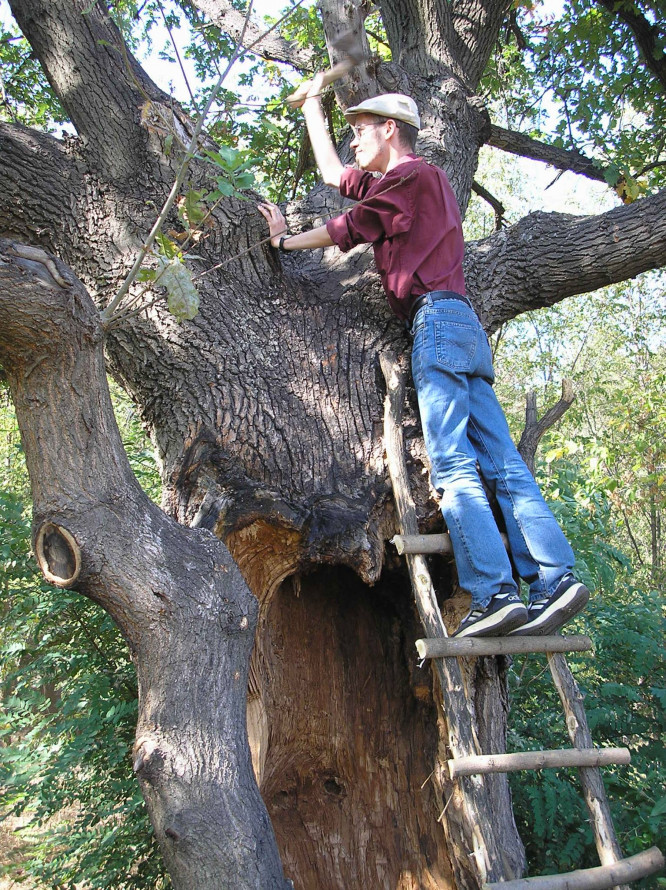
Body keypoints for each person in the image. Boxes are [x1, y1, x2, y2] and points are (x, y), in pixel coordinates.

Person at [257, 80, 589, 638]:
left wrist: (284, 242)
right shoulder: (405, 186)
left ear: (391, 130)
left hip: (435, 321)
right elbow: (335, 178)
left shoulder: (411, 176)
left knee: (453, 462)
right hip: (462, 325)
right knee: (501, 462)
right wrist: (312, 104)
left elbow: (349, 226)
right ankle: (556, 579)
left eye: (361, 131)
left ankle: (494, 592)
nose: (354, 141)